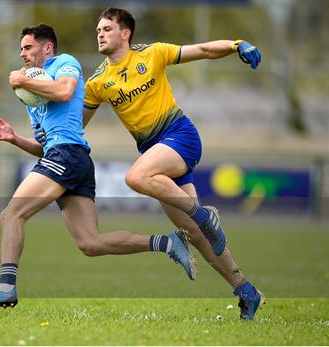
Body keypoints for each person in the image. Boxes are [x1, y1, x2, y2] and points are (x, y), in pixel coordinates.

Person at [0, 24, 197, 311]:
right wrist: (14, 138)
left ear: (47, 47)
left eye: (28, 47)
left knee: (11, 214)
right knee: (90, 243)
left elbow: (63, 92)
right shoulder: (30, 95)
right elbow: (42, 146)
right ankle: (168, 243)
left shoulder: (64, 63)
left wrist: (20, 81)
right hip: (68, 158)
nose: (22, 54)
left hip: (68, 155)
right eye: (21, 49)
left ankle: (5, 288)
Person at [82, 8, 264, 320]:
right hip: (156, 153)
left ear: (125, 33)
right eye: (98, 29)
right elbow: (75, 126)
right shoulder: (97, 82)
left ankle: (205, 217)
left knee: (136, 177)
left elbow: (205, 50)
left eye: (107, 28)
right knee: (195, 234)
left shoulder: (153, 53)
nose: (100, 33)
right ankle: (245, 289)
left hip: (180, 137)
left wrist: (237, 45)